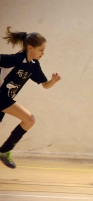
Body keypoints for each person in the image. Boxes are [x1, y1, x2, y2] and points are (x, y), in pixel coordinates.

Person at [0, 27, 62, 169]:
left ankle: (4, 150)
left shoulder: (33, 65)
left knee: (29, 120)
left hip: (5, 99)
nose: (43, 53)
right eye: (41, 50)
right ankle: (4, 150)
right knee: (29, 119)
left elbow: (45, 85)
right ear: (30, 48)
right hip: (2, 97)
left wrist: (54, 80)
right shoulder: (16, 59)